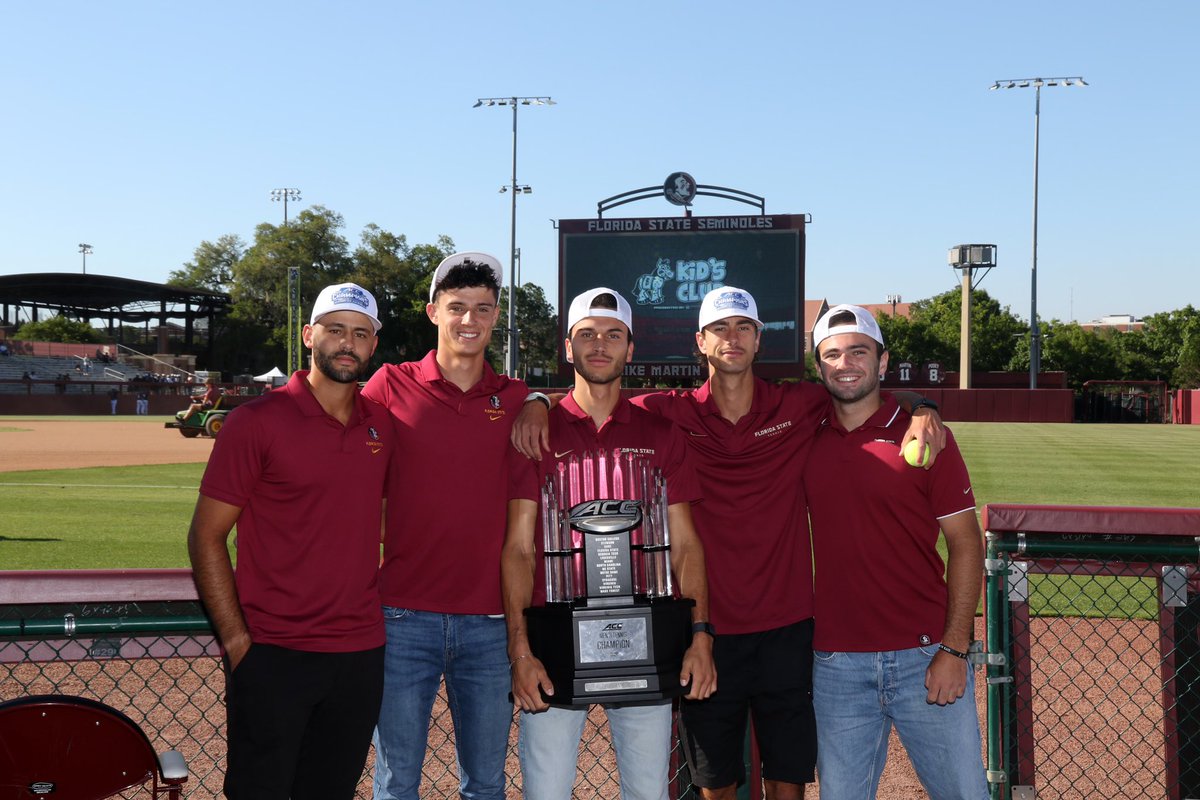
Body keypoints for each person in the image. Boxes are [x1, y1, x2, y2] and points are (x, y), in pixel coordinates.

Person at [513, 286, 945, 800]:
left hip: (786, 624)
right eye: (719, 328)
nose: (731, 338)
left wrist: (924, 405)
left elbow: (861, 389)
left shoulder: (800, 402)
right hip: (708, 628)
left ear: (759, 339)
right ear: (701, 341)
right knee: (716, 780)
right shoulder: (669, 413)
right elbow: (597, 394)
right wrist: (538, 400)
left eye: (743, 327)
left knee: (788, 774)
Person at [502, 288, 717, 800]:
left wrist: (701, 635)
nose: (600, 345)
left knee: (647, 791)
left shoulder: (661, 434)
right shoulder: (536, 432)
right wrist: (519, 649)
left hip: (644, 635)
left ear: (630, 348)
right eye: (588, 335)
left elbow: (686, 545)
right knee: (545, 791)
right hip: (554, 637)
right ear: (568, 347)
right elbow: (519, 549)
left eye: (613, 335)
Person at [187, 282, 394, 800]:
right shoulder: (257, 421)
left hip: (359, 653)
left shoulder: (383, 426)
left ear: (373, 346)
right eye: (335, 329)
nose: (347, 343)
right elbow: (206, 536)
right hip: (274, 651)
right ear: (309, 336)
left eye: (360, 334)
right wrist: (237, 642)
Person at [364, 252, 537, 800]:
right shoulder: (390, 384)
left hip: (488, 623)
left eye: (483, 309)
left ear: (495, 317)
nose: (470, 320)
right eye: (457, 307)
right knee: (397, 783)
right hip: (402, 617)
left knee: (486, 785)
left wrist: (538, 400)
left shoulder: (513, 399)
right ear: (433, 312)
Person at [803, 304, 987, 800]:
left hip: (925, 654)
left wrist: (954, 648)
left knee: (965, 793)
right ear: (820, 368)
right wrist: (924, 400)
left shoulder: (926, 436)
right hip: (837, 662)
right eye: (833, 354)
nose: (846, 363)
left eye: (859, 352)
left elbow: (967, 544)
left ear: (882, 363)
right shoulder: (805, 433)